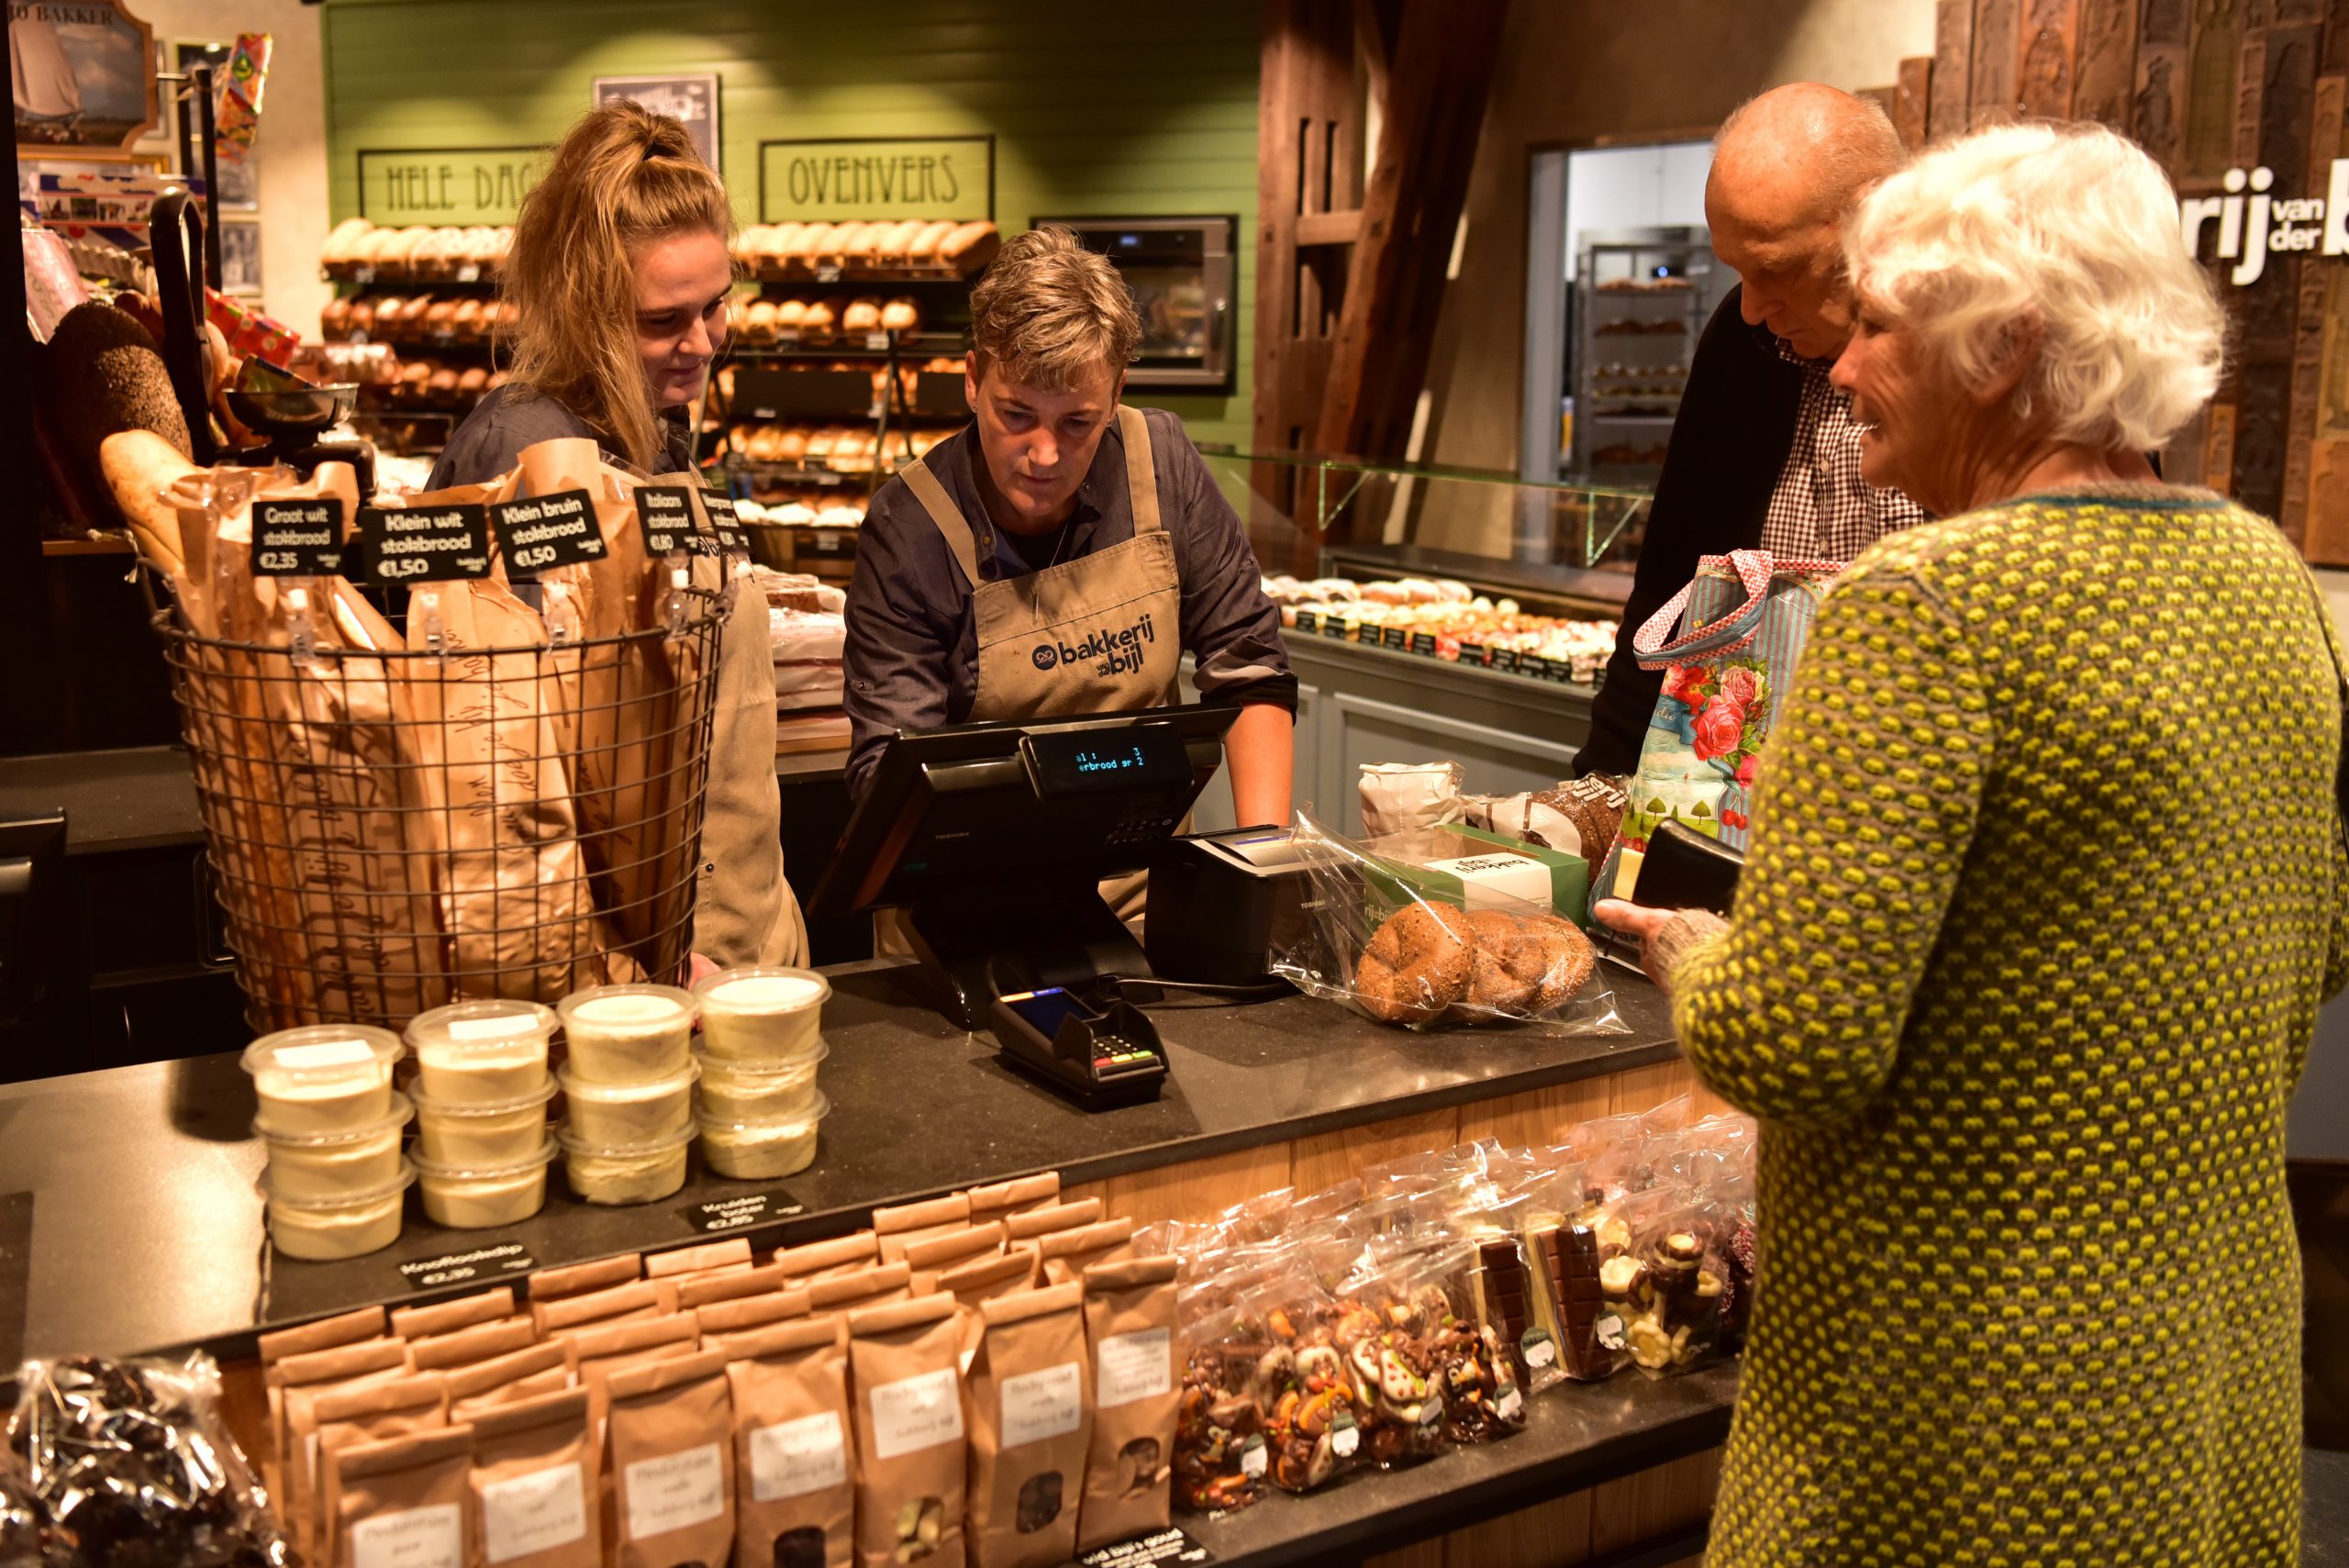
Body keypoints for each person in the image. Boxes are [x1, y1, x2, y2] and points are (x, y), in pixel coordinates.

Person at [1596, 121, 2343, 1565]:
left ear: (2000, 347)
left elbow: (1796, 1044)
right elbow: (2323, 943)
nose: (1843, 366)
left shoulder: (1923, 605)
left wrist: (1704, 955)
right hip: (2211, 1370)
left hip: (1960, 1402)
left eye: (1875, 326)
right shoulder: (2265, 575)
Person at [429, 103, 806, 969]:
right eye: (663, 320)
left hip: (739, 946)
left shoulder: (656, 434)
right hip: (625, 981)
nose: (704, 343)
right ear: (582, 309)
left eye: (716, 305)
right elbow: (510, 771)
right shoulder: (521, 454)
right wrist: (636, 971)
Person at [841, 226, 1296, 823]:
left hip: (1144, 889)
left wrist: (1262, 857)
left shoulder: (1159, 462)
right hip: (970, 892)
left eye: (1078, 422)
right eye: (1017, 414)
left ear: (1116, 395)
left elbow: (1250, 665)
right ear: (974, 380)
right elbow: (891, 777)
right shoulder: (909, 529)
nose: (1045, 455)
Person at [1575, 83, 1927, 780]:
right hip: (1739, 786)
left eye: (1778, 270)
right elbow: (1673, 581)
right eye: (1739, 273)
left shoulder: (1960, 362)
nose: (1754, 308)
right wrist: (1603, 783)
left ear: (1881, 219)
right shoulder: (1741, 347)